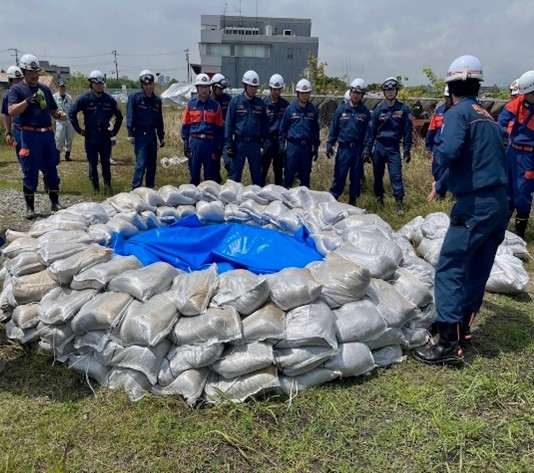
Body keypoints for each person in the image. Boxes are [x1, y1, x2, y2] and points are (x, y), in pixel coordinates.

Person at [413, 55, 508, 365]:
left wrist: (438, 161)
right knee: (477, 268)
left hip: (474, 205)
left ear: (451, 87)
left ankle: (447, 343)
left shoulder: (457, 114)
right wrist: (442, 185)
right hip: (498, 203)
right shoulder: (488, 117)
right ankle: (463, 330)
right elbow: (476, 159)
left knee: (450, 267)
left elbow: (451, 152)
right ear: (477, 86)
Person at [7, 54, 67, 218]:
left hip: (46, 134)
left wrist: (59, 115)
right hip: (29, 134)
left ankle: (55, 202)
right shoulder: (17, 89)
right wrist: (28, 101)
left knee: (51, 168)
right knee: (30, 170)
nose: (35, 76)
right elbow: (11, 111)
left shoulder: (45, 89)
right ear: (23, 72)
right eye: (31, 72)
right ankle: (30, 207)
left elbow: (52, 110)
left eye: (36, 72)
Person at [362, 76, 413, 214]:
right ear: (384, 92)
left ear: (396, 91)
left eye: (392, 90)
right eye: (387, 90)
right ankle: (379, 200)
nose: (390, 92)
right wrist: (367, 150)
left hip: (393, 147)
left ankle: (399, 204)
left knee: (396, 175)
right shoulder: (378, 110)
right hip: (379, 146)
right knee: (378, 175)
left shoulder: (403, 109)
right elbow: (371, 132)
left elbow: (408, 131)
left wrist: (407, 149)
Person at [68, 70, 123, 194]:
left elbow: (119, 117)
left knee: (106, 163)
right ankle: (95, 188)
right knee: (92, 163)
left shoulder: (109, 100)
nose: (99, 86)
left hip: (104, 135)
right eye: (96, 83)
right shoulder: (84, 99)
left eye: (101, 83)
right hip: (91, 135)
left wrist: (114, 132)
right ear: (91, 84)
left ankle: (108, 187)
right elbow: (71, 113)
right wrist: (79, 130)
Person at [497, 70, 534, 239]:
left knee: (522, 191)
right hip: (512, 151)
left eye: (528, 94)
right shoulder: (519, 101)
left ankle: (519, 234)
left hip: (528, 156)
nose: (525, 97)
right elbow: (502, 120)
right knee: (506, 189)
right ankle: (501, 229)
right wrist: (504, 134)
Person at [326, 78, 371, 205]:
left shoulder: (365, 113)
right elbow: (334, 129)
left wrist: (367, 149)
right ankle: (333, 200)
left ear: (362, 95)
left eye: (359, 93)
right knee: (339, 175)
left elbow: (369, 133)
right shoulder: (340, 110)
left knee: (356, 177)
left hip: (358, 150)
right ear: (350, 92)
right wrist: (329, 144)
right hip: (343, 149)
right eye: (354, 92)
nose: (356, 95)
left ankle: (353, 201)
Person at [225, 70, 269, 185]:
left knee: (257, 176)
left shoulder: (260, 104)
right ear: (245, 85)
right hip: (239, 143)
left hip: (255, 144)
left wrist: (264, 141)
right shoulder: (235, 102)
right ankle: (232, 196)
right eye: (251, 86)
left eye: (255, 86)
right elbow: (229, 124)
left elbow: (265, 124)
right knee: (234, 177)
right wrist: (229, 144)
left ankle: (257, 196)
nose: (253, 89)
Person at [181, 73, 224, 185]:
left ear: (210, 88)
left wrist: (219, 146)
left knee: (209, 177)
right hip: (195, 142)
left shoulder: (216, 106)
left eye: (206, 87)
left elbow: (219, 128)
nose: (204, 90)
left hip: (210, 143)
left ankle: (207, 196)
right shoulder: (190, 105)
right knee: (194, 174)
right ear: (197, 88)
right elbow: (185, 126)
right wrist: (185, 143)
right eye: (201, 87)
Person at [126, 69, 165, 189]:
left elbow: (159, 120)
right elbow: (130, 116)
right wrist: (130, 133)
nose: (148, 87)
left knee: (152, 164)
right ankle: (135, 188)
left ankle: (149, 188)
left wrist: (161, 136)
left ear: (154, 84)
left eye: (150, 84)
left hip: (152, 134)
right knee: (141, 164)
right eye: (146, 84)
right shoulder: (135, 98)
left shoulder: (157, 101)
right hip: (140, 133)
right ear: (142, 85)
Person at [279, 78, 320, 189]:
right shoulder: (290, 109)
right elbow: (283, 129)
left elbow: (315, 131)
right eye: (302, 93)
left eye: (306, 93)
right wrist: (281, 145)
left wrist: (316, 147)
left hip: (306, 147)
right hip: (293, 146)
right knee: (289, 174)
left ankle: (304, 198)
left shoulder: (313, 110)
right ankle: (286, 196)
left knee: (305, 176)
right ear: (297, 94)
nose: (304, 96)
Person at [424, 86, 452, 199]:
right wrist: (428, 147)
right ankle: (440, 195)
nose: (448, 99)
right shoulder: (439, 111)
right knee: (437, 171)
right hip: (438, 146)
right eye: (446, 97)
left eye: (450, 97)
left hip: (452, 146)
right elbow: (431, 129)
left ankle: (452, 195)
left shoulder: (459, 111)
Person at [262, 73, 289, 185]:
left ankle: (278, 193)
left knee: (278, 171)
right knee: (262, 169)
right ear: (270, 88)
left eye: (279, 89)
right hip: (267, 141)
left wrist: (284, 143)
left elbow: (288, 124)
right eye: (275, 89)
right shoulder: (264, 104)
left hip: (279, 141)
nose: (277, 92)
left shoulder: (285, 105)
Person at [210, 73, 232, 179]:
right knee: (214, 167)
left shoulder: (228, 99)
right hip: (213, 139)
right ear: (213, 87)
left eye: (223, 88)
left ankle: (231, 183)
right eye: (219, 88)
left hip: (226, 138)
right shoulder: (208, 101)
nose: (221, 90)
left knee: (229, 163)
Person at [2, 66, 24, 154]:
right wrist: (8, 133)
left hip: (32, 129)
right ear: (10, 81)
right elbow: (7, 115)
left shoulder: (27, 92)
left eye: (21, 79)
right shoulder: (7, 96)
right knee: (22, 154)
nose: (19, 82)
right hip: (18, 129)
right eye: (16, 80)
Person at [53, 79, 75, 161]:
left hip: (68, 121)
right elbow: (52, 109)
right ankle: (56, 155)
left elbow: (72, 109)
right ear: (58, 87)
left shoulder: (69, 97)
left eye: (63, 87)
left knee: (69, 138)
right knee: (59, 138)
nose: (62, 88)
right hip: (60, 121)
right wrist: (59, 114)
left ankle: (67, 154)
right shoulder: (54, 97)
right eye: (61, 87)